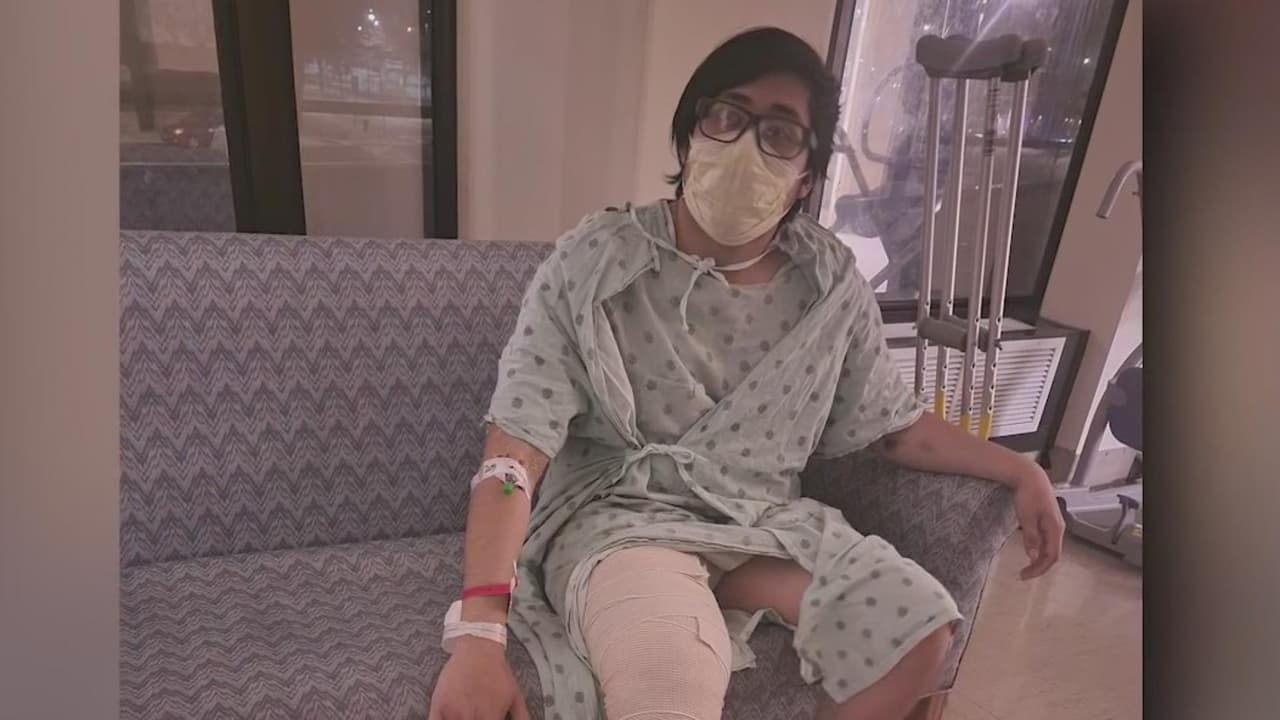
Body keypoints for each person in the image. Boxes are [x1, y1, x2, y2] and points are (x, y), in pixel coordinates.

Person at [429, 27, 1064, 720]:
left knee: (918, 634)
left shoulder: (828, 286)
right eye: (727, 115)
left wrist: (1020, 469)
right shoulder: (594, 264)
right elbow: (514, 453)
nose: (745, 146)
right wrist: (479, 636)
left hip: (762, 525)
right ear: (690, 133)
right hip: (626, 523)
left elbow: (896, 427)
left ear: (807, 177)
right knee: (669, 686)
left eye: (780, 133)